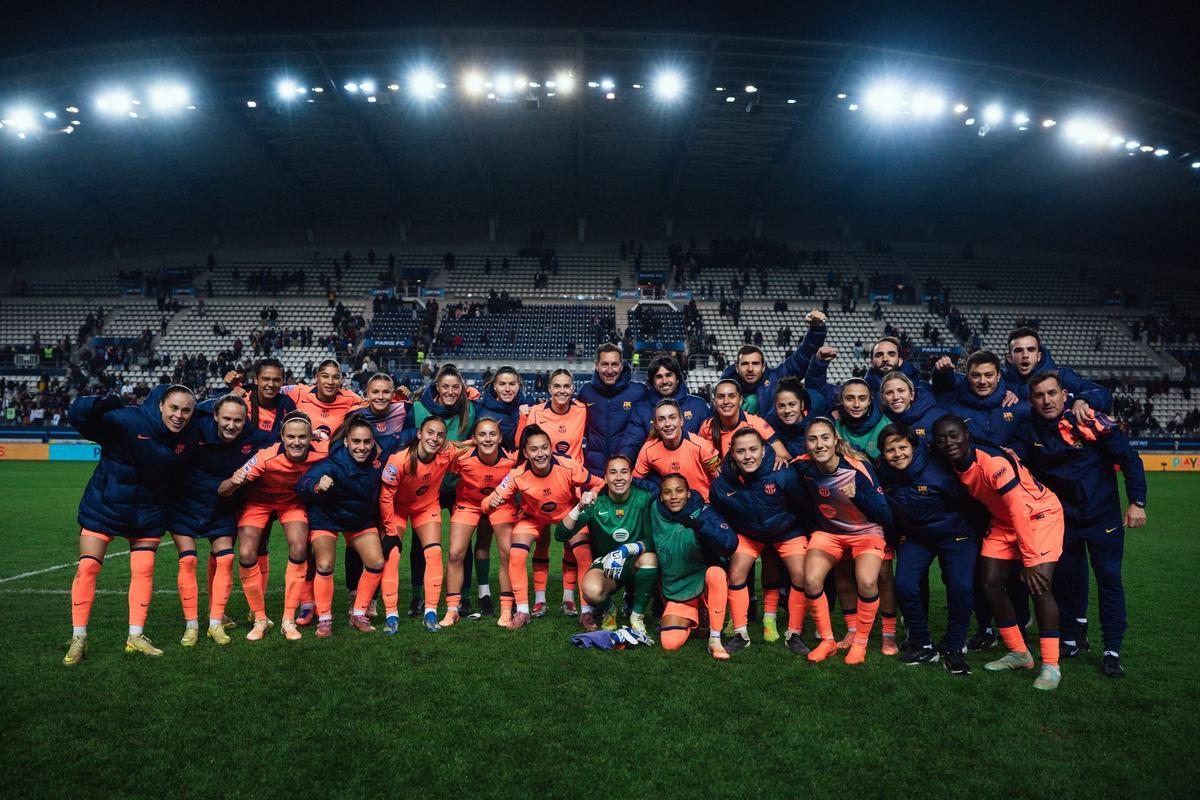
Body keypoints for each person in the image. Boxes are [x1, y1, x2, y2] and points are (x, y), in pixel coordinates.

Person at [1013, 371, 1146, 677]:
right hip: (1062, 521)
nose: (1046, 401)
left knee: (1109, 580)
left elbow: (1129, 459)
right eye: (1039, 396)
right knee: (1066, 581)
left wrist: (1137, 502)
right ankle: (1072, 638)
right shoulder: (1027, 428)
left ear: (1064, 395)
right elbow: (1014, 461)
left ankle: (1112, 650)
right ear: (1031, 401)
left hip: (1103, 518)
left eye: (1051, 393)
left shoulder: (1090, 420)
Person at [63, 385, 198, 666]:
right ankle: (78, 638)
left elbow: (221, 418)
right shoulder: (127, 419)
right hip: (105, 505)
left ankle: (135, 636)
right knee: (88, 567)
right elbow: (78, 417)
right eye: (174, 408)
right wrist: (97, 403)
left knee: (144, 570)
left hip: (148, 512)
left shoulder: (191, 432)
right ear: (161, 405)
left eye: (186, 410)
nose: (179, 415)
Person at [933, 414, 1065, 691]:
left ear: (966, 435)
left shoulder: (992, 463)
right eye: (942, 438)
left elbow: (1018, 508)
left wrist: (1029, 560)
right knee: (990, 582)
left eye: (954, 435)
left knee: (1040, 587)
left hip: (1038, 516)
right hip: (1003, 520)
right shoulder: (951, 463)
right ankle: (1019, 653)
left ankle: (1051, 666)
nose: (949, 442)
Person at [876, 423, 986, 674]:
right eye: (890, 450)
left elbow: (969, 501)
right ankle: (923, 644)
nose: (898, 454)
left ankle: (955, 647)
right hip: (918, 537)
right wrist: (898, 534)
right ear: (883, 454)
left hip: (956, 534)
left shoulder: (938, 470)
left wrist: (974, 534)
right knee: (904, 584)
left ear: (913, 447)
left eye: (902, 447)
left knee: (960, 586)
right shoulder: (884, 472)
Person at [169, 394, 274, 647]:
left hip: (223, 507)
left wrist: (313, 439)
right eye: (226, 418)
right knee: (188, 559)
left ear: (245, 420)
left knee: (226, 558)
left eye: (237, 420)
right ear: (216, 416)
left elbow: (280, 440)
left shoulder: (253, 437)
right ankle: (191, 626)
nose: (231, 425)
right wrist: (224, 485)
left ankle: (215, 623)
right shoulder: (195, 431)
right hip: (186, 503)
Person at [218, 411, 329, 642]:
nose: (296, 442)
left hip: (291, 503)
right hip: (259, 502)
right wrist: (232, 482)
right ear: (281, 436)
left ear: (311, 438)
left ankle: (287, 620)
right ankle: (259, 619)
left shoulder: (324, 449)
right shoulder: (265, 456)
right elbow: (224, 490)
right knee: (247, 552)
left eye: (302, 437)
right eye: (290, 437)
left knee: (299, 547)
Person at [795, 417, 894, 665]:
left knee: (868, 581)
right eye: (813, 439)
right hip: (830, 533)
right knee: (811, 579)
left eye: (825, 438)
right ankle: (827, 641)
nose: (819, 444)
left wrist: (859, 495)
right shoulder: (803, 466)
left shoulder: (857, 468)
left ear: (836, 440)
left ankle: (860, 643)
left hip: (866, 532)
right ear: (806, 444)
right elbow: (776, 469)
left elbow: (885, 515)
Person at [487, 424, 603, 629]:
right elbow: (486, 503)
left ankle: (586, 612)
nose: (540, 454)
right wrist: (491, 502)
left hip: (568, 513)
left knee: (583, 553)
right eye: (534, 449)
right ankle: (523, 611)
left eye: (544, 448)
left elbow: (598, 483)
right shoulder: (517, 475)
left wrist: (591, 494)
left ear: (551, 448)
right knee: (516, 554)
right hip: (533, 517)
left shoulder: (568, 465)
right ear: (525, 452)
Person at [710, 428, 811, 655]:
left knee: (801, 574)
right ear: (732, 454)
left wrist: (806, 532)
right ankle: (740, 633)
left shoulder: (783, 472)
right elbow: (718, 514)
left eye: (753, 449)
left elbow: (804, 505)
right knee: (736, 573)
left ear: (764, 450)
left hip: (786, 531)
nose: (748, 456)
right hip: (749, 533)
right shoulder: (723, 482)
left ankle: (794, 633)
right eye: (741, 451)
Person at [281, 359, 366, 624]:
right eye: (325, 376)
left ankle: (355, 596)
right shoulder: (298, 393)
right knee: (309, 543)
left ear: (342, 379)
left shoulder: (351, 398)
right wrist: (239, 387)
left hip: (341, 477)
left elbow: (377, 403)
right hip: (310, 477)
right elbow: (267, 390)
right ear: (316, 377)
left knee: (353, 540)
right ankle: (308, 602)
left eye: (336, 376)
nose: (330, 381)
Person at [295, 414, 389, 637]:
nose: (362, 447)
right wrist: (317, 486)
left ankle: (358, 613)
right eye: (356, 442)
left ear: (373, 442)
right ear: (346, 441)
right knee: (325, 563)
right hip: (326, 517)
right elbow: (302, 486)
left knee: (376, 562)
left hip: (358, 519)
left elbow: (407, 436)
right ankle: (325, 619)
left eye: (367, 442)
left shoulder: (377, 462)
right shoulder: (332, 463)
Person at [516, 368, 589, 616]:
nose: (561, 391)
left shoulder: (582, 410)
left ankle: (569, 598)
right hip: (540, 484)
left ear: (573, 388)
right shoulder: (536, 412)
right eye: (556, 386)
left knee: (571, 543)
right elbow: (522, 445)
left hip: (570, 487)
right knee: (542, 541)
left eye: (566, 386)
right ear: (549, 388)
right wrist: (522, 418)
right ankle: (539, 599)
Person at [379, 416, 462, 633]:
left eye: (440, 435)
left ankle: (431, 612)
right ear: (419, 434)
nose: (434, 438)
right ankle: (391, 615)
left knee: (434, 553)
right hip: (397, 509)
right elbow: (385, 497)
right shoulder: (400, 460)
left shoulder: (446, 453)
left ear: (445, 439)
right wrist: (389, 531)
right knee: (393, 554)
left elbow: (463, 447)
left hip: (426, 507)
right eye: (430, 432)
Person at [557, 455, 657, 632]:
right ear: (605, 478)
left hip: (634, 561)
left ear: (631, 476)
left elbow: (652, 540)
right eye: (613, 472)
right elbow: (561, 534)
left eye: (624, 472)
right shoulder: (597, 503)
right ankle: (609, 609)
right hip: (607, 566)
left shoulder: (645, 498)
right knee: (589, 588)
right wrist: (579, 507)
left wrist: (626, 550)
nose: (619, 477)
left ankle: (637, 614)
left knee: (650, 560)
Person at [343, 372, 414, 618]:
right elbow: (341, 444)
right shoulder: (356, 415)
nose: (381, 396)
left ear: (393, 393)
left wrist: (392, 440)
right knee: (354, 543)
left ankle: (370, 599)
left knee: (382, 544)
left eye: (386, 392)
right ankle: (354, 595)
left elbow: (414, 435)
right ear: (367, 394)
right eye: (375, 391)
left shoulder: (405, 410)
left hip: (391, 489)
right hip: (362, 486)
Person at [648, 474, 738, 660]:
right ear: (661, 497)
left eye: (679, 491)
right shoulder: (656, 511)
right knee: (669, 643)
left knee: (716, 573)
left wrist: (699, 526)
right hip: (678, 589)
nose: (673, 496)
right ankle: (697, 616)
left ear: (688, 493)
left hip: (703, 584)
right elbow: (640, 483)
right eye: (667, 492)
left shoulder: (702, 512)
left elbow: (730, 543)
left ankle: (714, 639)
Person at [445, 417, 518, 626]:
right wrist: (467, 444)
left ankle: (506, 607)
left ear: (500, 437)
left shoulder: (511, 459)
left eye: (492, 434)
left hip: (500, 505)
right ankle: (452, 609)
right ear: (474, 438)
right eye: (482, 434)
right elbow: (440, 449)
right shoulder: (463, 457)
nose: (488, 439)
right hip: (468, 504)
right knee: (455, 553)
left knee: (507, 552)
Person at [720, 309, 827, 415]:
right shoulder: (724, 390)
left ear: (763, 367)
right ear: (737, 368)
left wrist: (816, 330)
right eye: (744, 364)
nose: (750, 369)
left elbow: (802, 359)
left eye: (755, 363)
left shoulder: (776, 380)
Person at [617, 355, 709, 461]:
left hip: (692, 472)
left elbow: (709, 442)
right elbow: (631, 444)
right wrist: (623, 462)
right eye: (659, 377)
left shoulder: (698, 405)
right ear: (652, 382)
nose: (664, 381)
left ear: (677, 378)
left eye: (668, 375)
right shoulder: (641, 410)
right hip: (655, 475)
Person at [577, 343, 649, 476]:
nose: (609, 370)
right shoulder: (585, 391)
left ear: (622, 366)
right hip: (593, 472)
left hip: (627, 471)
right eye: (604, 364)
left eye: (614, 364)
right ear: (596, 365)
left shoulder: (639, 391)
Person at [1003, 327, 1113, 411]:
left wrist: (1085, 400)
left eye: (1031, 349)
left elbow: (1103, 393)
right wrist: (1001, 393)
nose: (1025, 355)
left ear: (1039, 356)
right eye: (1018, 350)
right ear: (1010, 358)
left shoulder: (1062, 376)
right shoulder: (999, 380)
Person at [932, 351, 1027, 445]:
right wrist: (941, 373)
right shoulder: (951, 408)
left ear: (998, 376)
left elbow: (1026, 442)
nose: (982, 381)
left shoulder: (1017, 406)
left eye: (989, 375)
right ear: (967, 375)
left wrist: (1015, 452)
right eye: (976, 375)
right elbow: (942, 385)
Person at [633, 399, 722, 500]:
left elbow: (722, 480)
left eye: (672, 418)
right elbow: (635, 480)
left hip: (704, 504)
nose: (667, 424)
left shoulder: (701, 446)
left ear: (682, 421)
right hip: (672, 504)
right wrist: (656, 489)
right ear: (656, 425)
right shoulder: (648, 449)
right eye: (661, 419)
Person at [879, 372, 946, 444]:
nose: (896, 397)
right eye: (889, 393)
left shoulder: (938, 418)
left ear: (912, 395)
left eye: (901, 391)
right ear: (882, 398)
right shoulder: (879, 422)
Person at [476, 366, 528, 450]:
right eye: (502, 384)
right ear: (495, 386)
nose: (507, 389)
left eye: (512, 384)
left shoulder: (528, 407)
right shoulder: (483, 413)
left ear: (518, 385)